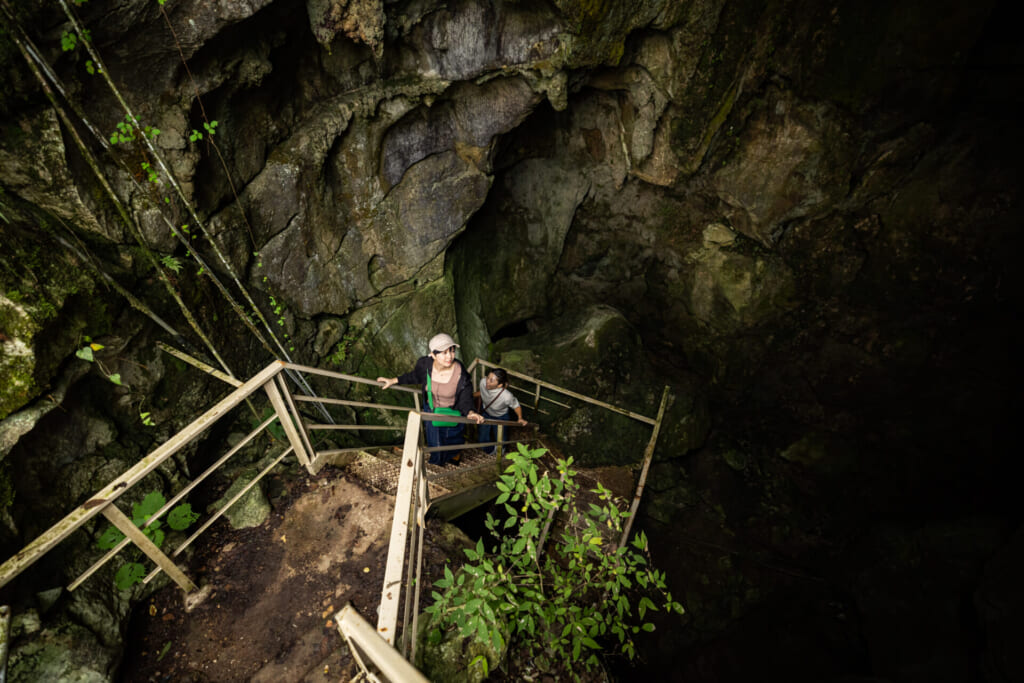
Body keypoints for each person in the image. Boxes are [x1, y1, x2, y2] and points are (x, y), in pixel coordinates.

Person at [377, 333, 484, 466]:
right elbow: (414, 376)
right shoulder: (425, 365)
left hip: (453, 410)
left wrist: (470, 412)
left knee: (453, 438)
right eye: (444, 353)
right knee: (435, 442)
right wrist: (393, 380)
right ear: (433, 355)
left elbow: (465, 396)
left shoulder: (460, 372)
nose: (450, 356)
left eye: (452, 351)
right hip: (432, 408)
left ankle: (454, 454)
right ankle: (435, 465)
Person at [475, 368, 528, 454]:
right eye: (488, 377)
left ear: (499, 385)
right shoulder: (483, 382)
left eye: (491, 380)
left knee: (501, 439)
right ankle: (491, 452)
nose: (487, 381)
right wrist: (470, 396)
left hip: (501, 416)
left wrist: (520, 418)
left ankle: (501, 451)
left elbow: (516, 406)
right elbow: (482, 392)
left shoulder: (506, 396)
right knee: (482, 439)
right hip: (486, 413)